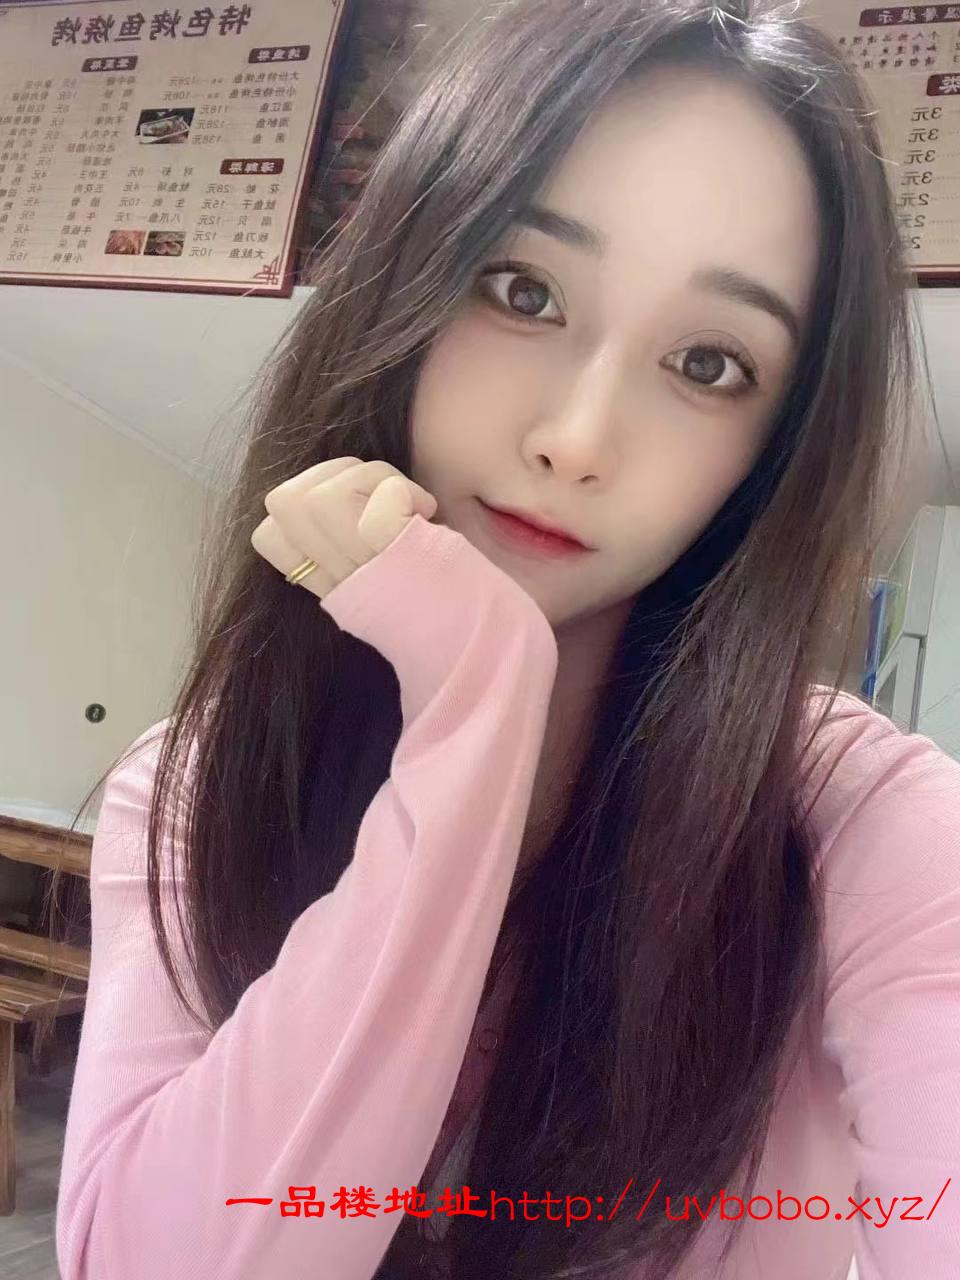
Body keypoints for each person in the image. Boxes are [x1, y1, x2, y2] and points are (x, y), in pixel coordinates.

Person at [54, 1, 960, 1278]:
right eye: (524, 290)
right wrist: (475, 713)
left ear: (772, 447)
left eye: (709, 364)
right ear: (407, 288)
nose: (576, 439)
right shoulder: (197, 781)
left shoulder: (861, 821)